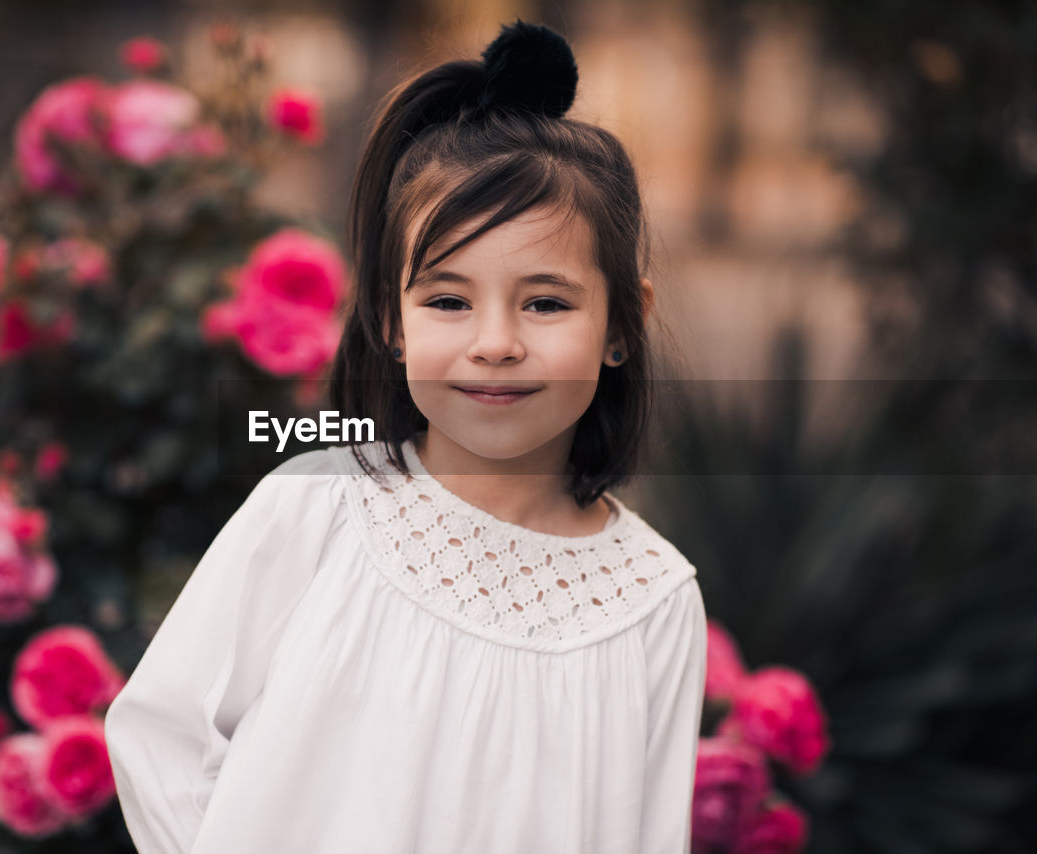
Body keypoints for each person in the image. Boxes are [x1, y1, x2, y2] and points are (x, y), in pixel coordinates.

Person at [105, 19, 708, 854]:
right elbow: (162, 736)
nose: (495, 342)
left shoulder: (651, 602)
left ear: (622, 325)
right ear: (390, 317)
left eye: (546, 302)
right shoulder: (318, 511)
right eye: (449, 300)